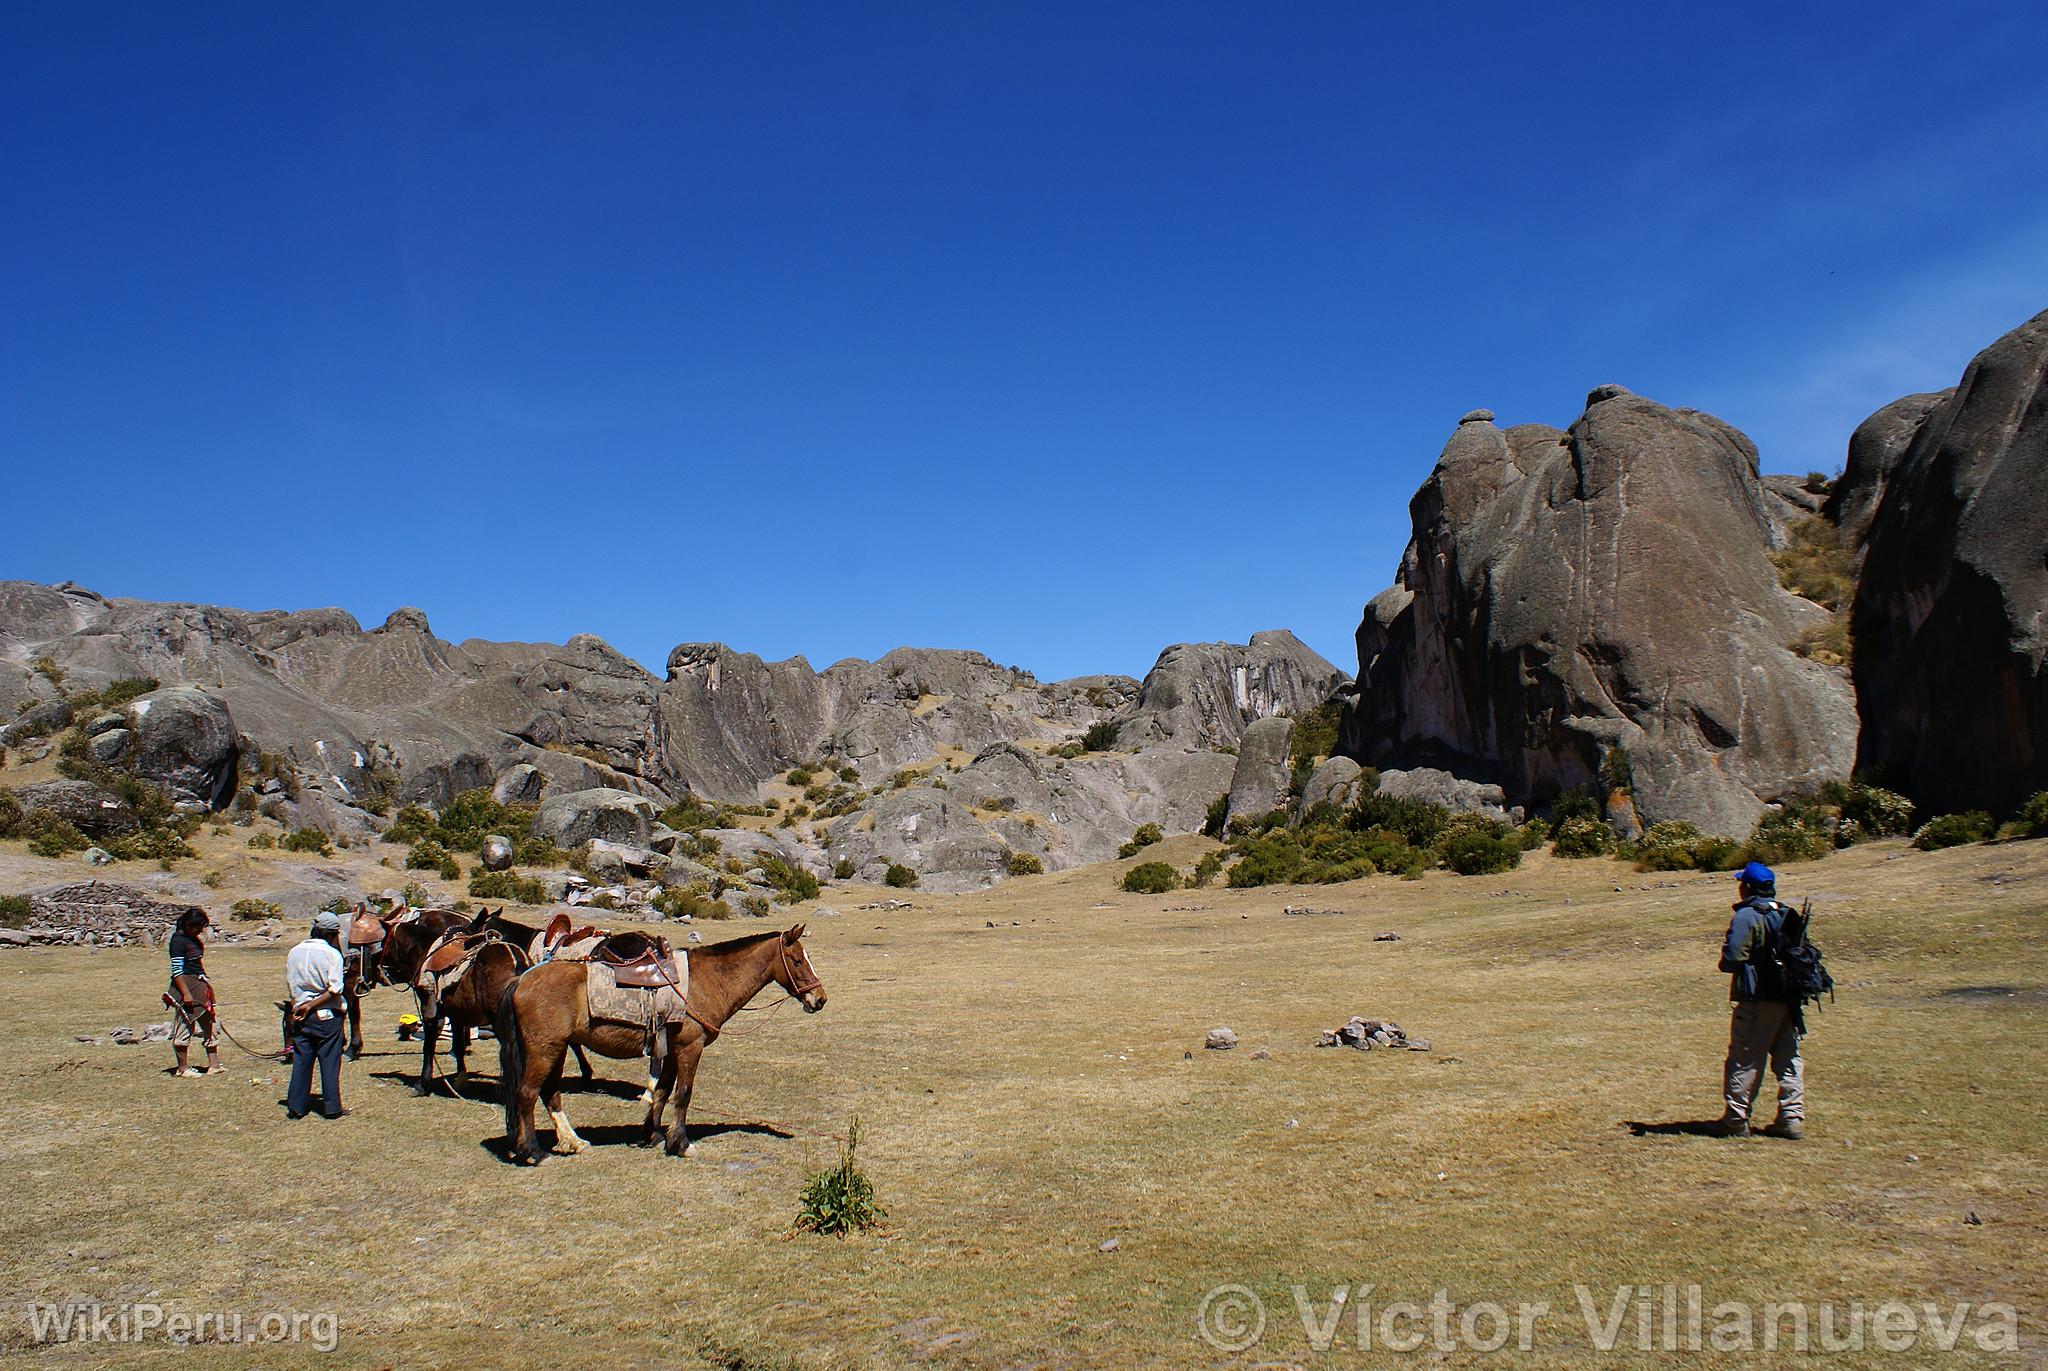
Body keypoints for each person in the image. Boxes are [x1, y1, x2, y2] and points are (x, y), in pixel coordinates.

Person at [1716, 861, 1804, 1139]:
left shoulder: (1746, 917)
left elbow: (1732, 958)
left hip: (1757, 998)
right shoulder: (1788, 914)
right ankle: (1791, 1118)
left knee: (1745, 1058)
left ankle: (1735, 1120)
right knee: (1788, 1058)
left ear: (1749, 887)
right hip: (1788, 999)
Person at [284, 910, 349, 1120]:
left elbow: (291, 983)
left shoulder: (294, 951)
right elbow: (335, 989)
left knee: (302, 1059)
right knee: (329, 1061)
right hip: (326, 1015)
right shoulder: (332, 955)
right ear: (332, 934)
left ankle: (296, 1106)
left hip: (301, 1014)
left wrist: (301, 1006)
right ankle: (332, 1107)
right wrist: (311, 1005)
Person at [167, 907, 221, 1077]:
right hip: (187, 986)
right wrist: (186, 994)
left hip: (200, 985)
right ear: (189, 925)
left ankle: (214, 1064)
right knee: (185, 1025)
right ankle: (182, 1068)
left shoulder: (192, 939)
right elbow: (177, 971)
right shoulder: (178, 941)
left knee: (211, 1024)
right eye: (198, 927)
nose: (200, 931)